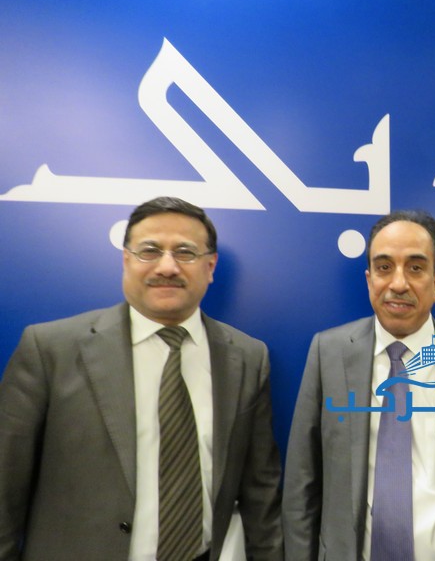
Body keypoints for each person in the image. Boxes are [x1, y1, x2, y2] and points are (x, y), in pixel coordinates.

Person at [0, 197, 283, 561]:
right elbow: (5, 481)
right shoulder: (50, 349)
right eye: (150, 251)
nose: (167, 267)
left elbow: (261, 490)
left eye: (185, 252)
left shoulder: (247, 357)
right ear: (126, 260)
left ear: (210, 266)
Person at [282, 210, 435, 561]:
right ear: (369, 280)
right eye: (384, 267)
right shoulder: (328, 353)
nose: (398, 283)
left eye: (415, 268)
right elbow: (302, 482)